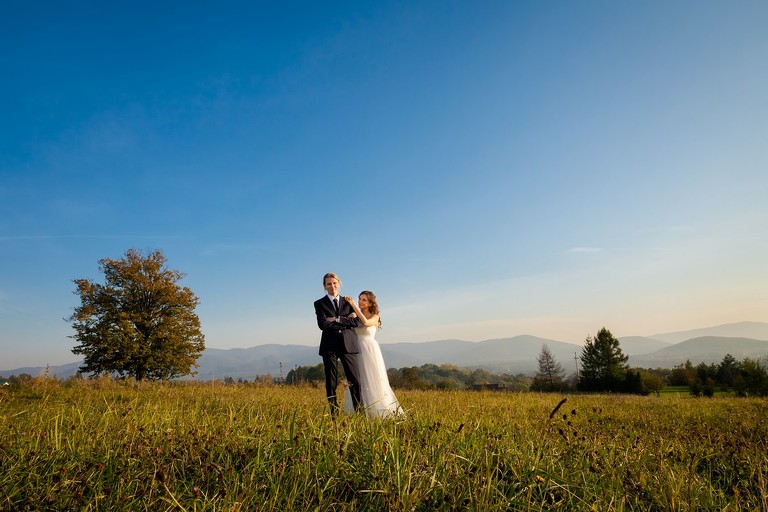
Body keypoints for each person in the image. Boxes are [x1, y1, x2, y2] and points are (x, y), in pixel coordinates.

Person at [343, 291, 404, 418]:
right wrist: (351, 316)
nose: (360, 301)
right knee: (357, 379)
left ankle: (378, 411)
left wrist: (354, 306)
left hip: (370, 350)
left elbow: (365, 322)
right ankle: (358, 410)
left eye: (364, 300)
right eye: (360, 299)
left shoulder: (375, 316)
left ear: (370, 303)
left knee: (372, 379)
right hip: (356, 349)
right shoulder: (354, 314)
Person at [314, 272, 363, 415]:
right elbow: (323, 325)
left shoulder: (349, 302)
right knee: (331, 383)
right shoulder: (319, 303)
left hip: (349, 345)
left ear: (339, 284)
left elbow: (357, 322)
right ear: (324, 286)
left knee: (355, 380)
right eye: (329, 284)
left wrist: (336, 319)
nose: (332, 286)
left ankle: (360, 413)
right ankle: (334, 415)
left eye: (334, 283)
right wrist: (346, 321)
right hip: (329, 347)